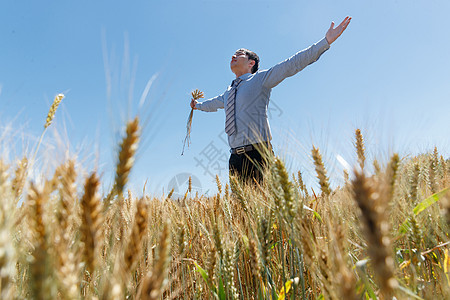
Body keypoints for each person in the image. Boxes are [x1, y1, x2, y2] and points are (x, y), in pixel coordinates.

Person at [191, 17, 351, 183]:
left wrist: (325, 42)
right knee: (240, 207)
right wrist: (197, 106)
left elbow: (291, 64)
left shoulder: (260, 79)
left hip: (258, 153)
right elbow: (212, 104)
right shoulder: (228, 92)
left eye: (239, 54)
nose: (233, 55)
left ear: (251, 62)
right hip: (234, 158)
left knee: (265, 203)